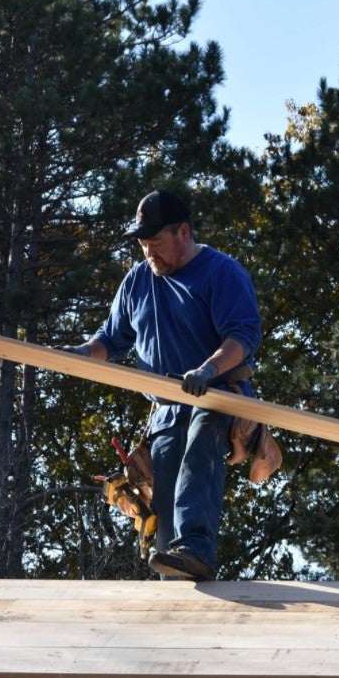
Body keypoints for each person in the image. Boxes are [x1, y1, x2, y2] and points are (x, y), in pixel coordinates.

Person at [63, 189, 262, 581]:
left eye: (156, 243)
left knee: (201, 446)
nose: (149, 253)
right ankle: (177, 571)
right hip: (167, 409)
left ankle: (196, 548)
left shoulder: (221, 272)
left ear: (183, 232)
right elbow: (111, 338)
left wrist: (208, 369)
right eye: (143, 245)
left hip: (218, 395)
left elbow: (243, 336)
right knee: (167, 485)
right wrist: (80, 353)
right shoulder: (138, 281)